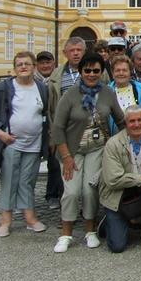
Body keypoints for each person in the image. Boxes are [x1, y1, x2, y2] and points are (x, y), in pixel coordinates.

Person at [51, 53, 125, 253]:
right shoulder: (70, 94)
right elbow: (57, 128)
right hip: (72, 150)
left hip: (97, 148)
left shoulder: (108, 93)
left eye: (96, 71)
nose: (92, 74)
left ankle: (89, 230)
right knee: (72, 191)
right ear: (80, 71)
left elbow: (120, 119)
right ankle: (66, 233)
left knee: (89, 190)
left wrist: (128, 138)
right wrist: (66, 156)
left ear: (102, 73)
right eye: (88, 70)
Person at [0, 51, 49, 237]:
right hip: (11, 142)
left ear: (33, 67)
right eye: (19, 64)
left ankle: (30, 218)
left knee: (27, 180)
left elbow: (44, 113)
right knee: (9, 180)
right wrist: (1, 133)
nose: (23, 67)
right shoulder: (4, 88)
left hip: (34, 143)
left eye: (27, 64)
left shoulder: (41, 88)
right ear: (15, 68)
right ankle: (6, 219)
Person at [98, 105, 141, 252]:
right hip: (117, 194)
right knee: (117, 246)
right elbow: (113, 180)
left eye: (140, 120)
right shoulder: (113, 144)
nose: (136, 124)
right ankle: (110, 221)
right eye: (132, 121)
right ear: (126, 123)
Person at [46, 36, 89, 209]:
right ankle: (67, 213)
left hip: (89, 131)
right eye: (72, 50)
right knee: (67, 174)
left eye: (79, 50)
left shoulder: (94, 70)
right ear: (65, 53)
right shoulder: (57, 75)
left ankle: (88, 213)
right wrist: (53, 137)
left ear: (84, 52)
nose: (76, 53)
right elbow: (50, 109)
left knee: (88, 176)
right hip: (65, 132)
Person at [108, 55, 141, 135]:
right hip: (114, 139)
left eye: (124, 70)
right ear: (112, 73)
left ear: (130, 72)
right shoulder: (106, 92)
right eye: (117, 70)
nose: (121, 73)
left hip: (138, 136)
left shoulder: (140, 90)